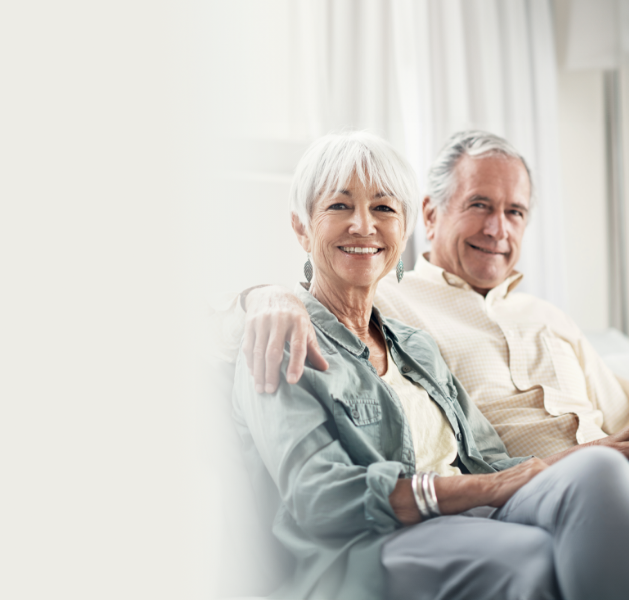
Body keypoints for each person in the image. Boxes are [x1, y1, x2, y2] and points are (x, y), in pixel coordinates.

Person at [236, 130, 629, 600]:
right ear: (302, 227)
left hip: (471, 514)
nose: (364, 225)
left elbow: (491, 462)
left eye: (383, 208)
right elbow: (320, 498)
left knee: (601, 472)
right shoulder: (283, 337)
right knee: (529, 557)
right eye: (339, 206)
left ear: (402, 228)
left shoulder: (413, 344)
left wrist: (585, 457)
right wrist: (261, 295)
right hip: (375, 542)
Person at [225, 130, 629, 459]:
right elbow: (317, 291)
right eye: (479, 205)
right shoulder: (388, 297)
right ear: (432, 216)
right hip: (531, 491)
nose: (497, 229)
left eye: (514, 213)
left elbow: (619, 408)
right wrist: (265, 295)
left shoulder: (547, 314)